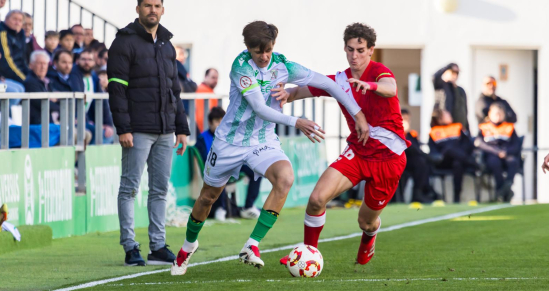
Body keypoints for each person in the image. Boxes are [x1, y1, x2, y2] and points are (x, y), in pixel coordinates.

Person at [171, 21, 368, 276]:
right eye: (258, 52)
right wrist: (297, 121)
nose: (264, 56)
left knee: (285, 178)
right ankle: (188, 246)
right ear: (248, 49)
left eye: (268, 50)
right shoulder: (241, 66)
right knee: (208, 197)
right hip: (230, 142)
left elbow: (329, 84)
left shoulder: (283, 66)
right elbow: (259, 108)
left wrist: (358, 114)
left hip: (262, 140)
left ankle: (251, 245)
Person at [278, 23, 408, 267]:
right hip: (357, 153)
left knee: (365, 222)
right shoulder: (339, 80)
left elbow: (391, 88)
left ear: (371, 50)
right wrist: (287, 94)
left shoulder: (379, 71)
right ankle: (308, 254)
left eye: (360, 50)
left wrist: (369, 86)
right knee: (317, 199)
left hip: (388, 160)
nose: (354, 55)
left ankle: (369, 237)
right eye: (350, 50)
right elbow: (302, 90)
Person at [108, 0, 190, 267]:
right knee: (129, 188)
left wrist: (182, 128)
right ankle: (130, 247)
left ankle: (157, 246)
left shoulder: (167, 45)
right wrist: (123, 128)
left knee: (159, 190)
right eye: (147, 5)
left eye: (156, 6)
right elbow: (116, 90)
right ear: (138, 9)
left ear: (162, 10)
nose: (152, 10)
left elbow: (174, 91)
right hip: (137, 129)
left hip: (167, 130)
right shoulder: (124, 42)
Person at [194, 107, 262, 221]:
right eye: (217, 121)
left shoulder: (230, 136)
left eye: (222, 121)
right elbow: (206, 160)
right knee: (219, 172)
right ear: (210, 122)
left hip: (233, 166)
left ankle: (248, 207)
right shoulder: (202, 139)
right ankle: (221, 208)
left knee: (257, 171)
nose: (220, 124)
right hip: (214, 169)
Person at [429, 109, 479, 203]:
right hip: (443, 161)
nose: (450, 115)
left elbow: (467, 144)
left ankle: (456, 197)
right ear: (440, 119)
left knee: (458, 163)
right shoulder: (434, 132)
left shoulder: (457, 128)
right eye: (446, 114)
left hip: (459, 159)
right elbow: (433, 151)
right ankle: (474, 164)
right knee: (449, 149)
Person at [475, 102, 520, 202]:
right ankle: (504, 191)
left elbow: (516, 145)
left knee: (513, 162)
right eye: (496, 114)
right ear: (490, 114)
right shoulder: (484, 127)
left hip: (506, 154)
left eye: (500, 114)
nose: (498, 116)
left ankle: (503, 189)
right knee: (494, 163)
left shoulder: (509, 127)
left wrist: (506, 152)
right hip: (492, 155)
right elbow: (479, 143)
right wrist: (496, 152)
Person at [74, 49, 114, 144]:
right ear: (77, 61)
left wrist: (108, 124)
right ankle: (83, 158)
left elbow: (102, 102)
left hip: (87, 120)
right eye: (83, 59)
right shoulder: (74, 75)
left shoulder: (94, 77)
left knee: (108, 134)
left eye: (89, 60)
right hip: (76, 120)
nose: (86, 62)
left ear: (94, 62)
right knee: (97, 133)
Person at [401, 109, 439, 203]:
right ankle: (423, 192)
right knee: (421, 160)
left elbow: (416, 148)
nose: (406, 122)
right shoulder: (396, 133)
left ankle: (422, 191)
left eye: (408, 119)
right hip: (400, 162)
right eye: (404, 119)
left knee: (422, 162)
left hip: (413, 163)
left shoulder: (411, 134)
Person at [23, 51, 59, 124]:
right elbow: (43, 104)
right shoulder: (30, 82)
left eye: (45, 63)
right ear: (31, 65)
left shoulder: (48, 81)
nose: (43, 67)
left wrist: (56, 100)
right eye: (39, 63)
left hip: (52, 123)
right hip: (39, 125)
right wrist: (61, 107)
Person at [433, 63, 470, 135]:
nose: (455, 75)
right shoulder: (441, 86)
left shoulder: (460, 90)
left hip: (459, 130)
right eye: (452, 72)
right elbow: (435, 77)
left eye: (457, 73)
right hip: (444, 130)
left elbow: (464, 111)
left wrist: (467, 129)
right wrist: (447, 67)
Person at [0, 10, 30, 84]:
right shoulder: (2, 32)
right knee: (19, 90)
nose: (17, 23)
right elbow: (6, 61)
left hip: (18, 73)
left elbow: (23, 60)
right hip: (5, 75)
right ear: (6, 19)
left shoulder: (21, 34)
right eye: (14, 19)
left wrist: (30, 76)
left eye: (20, 20)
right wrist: (24, 79)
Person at [195, 68, 219, 132]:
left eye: (216, 78)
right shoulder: (203, 90)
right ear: (206, 77)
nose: (215, 80)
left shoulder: (208, 90)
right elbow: (202, 114)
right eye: (213, 78)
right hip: (204, 128)